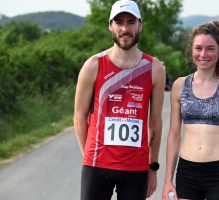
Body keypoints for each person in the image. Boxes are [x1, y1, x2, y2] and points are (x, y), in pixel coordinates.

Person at [73, 1, 165, 200]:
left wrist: (153, 166)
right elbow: (79, 117)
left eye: (131, 22)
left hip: (137, 168)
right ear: (110, 26)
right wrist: (88, 158)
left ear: (140, 25)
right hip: (97, 165)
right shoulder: (93, 65)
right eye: (119, 22)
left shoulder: (154, 68)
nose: (125, 29)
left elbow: (155, 121)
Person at [162, 20, 219, 200]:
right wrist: (167, 180)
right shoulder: (180, 86)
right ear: (192, 50)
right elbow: (174, 136)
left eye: (210, 48)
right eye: (198, 48)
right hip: (186, 173)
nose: (203, 54)